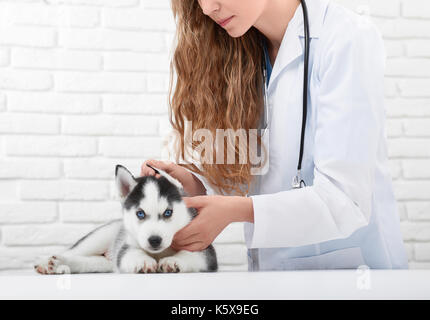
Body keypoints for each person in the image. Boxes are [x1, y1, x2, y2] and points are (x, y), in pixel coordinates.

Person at [140, 0, 408, 270]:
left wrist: (235, 211)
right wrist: (194, 186)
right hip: (272, 283)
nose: (207, 8)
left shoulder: (346, 38)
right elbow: (259, 177)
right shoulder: (241, 52)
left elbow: (346, 200)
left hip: (355, 282)